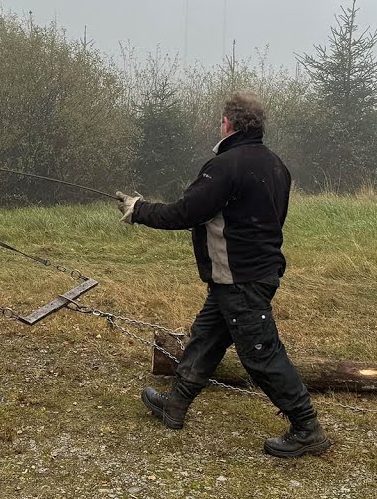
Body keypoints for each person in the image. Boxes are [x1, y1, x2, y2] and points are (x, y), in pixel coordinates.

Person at [115, 92, 331, 458]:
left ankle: (306, 427)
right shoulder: (276, 164)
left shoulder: (225, 165)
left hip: (240, 278)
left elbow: (186, 212)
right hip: (247, 274)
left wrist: (139, 210)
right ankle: (176, 404)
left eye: (221, 121)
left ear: (228, 124)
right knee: (208, 337)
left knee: (261, 353)